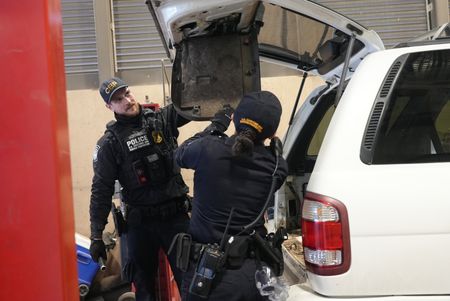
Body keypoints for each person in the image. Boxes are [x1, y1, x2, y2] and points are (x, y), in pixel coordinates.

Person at [175, 91, 288, 301]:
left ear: (235, 120)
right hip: (252, 276)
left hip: (206, 276)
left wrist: (215, 127)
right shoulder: (277, 167)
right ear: (272, 134)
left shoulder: (206, 149)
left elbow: (179, 155)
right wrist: (275, 151)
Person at [89, 77, 191, 301]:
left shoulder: (162, 120)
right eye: (118, 99)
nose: (127, 100)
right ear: (110, 107)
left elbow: (193, 105)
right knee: (144, 291)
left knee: (192, 284)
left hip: (175, 218)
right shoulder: (109, 144)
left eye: (127, 93)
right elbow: (101, 190)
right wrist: (96, 235)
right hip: (140, 225)